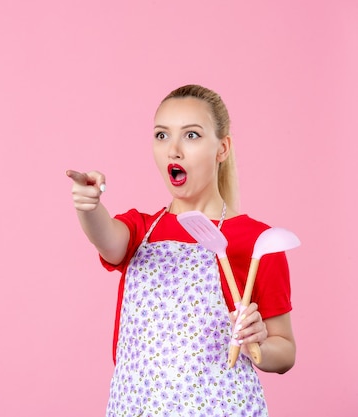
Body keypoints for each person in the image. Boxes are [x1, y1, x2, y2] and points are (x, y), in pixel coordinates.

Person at [66, 84, 295, 417]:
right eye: (162, 136)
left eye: (191, 136)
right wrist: (88, 205)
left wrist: (256, 346)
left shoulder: (257, 241)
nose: (173, 150)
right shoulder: (138, 231)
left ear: (222, 148)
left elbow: (285, 352)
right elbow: (107, 238)